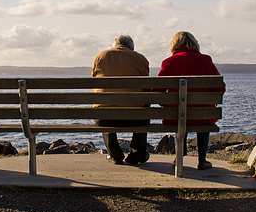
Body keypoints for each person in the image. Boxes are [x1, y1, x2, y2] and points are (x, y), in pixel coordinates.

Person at [158, 31, 225, 170]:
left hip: (174, 116)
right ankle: (202, 160)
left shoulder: (168, 62)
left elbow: (158, 92)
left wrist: (166, 104)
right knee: (202, 118)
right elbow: (220, 88)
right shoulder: (205, 60)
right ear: (194, 43)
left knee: (180, 116)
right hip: (203, 116)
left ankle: (179, 157)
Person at [92, 35, 150, 165]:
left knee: (103, 109)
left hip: (105, 117)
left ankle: (114, 154)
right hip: (134, 118)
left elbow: (95, 80)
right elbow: (147, 89)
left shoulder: (100, 56)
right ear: (132, 48)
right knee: (144, 112)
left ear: (113, 47)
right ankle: (137, 155)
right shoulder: (140, 58)